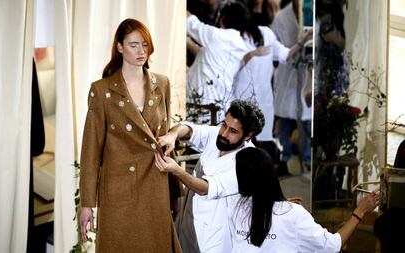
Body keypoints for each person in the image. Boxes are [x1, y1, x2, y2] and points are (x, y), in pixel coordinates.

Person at [78, 18, 181, 252]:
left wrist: (173, 191)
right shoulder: (102, 91)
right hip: (118, 190)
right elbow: (90, 152)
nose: (141, 51)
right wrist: (87, 204)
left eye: (145, 45)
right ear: (119, 47)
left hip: (155, 182)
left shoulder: (161, 84)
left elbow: (166, 141)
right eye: (133, 45)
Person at [154, 100, 265, 252]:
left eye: (233, 131)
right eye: (224, 124)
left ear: (248, 135)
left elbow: (206, 188)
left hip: (211, 235)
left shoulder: (249, 162)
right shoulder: (219, 135)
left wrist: (176, 170)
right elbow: (189, 129)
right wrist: (172, 135)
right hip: (187, 219)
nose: (224, 133)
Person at [229, 147, 380, 252]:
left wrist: (281, 205)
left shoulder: (235, 206)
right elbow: (333, 246)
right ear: (271, 174)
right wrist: (360, 211)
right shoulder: (293, 214)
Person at [232, 2, 312, 175]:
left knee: (261, 142)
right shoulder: (237, 36)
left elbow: (285, 55)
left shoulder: (267, 34)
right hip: (241, 96)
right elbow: (232, 66)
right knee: (240, 142)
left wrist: (303, 41)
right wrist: (252, 54)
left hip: (263, 98)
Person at [271, 0, 312, 171]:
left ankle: (308, 158)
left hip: (307, 76)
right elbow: (275, 49)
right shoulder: (281, 18)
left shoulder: (312, 12)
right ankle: (285, 157)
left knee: (307, 124)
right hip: (287, 74)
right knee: (285, 123)